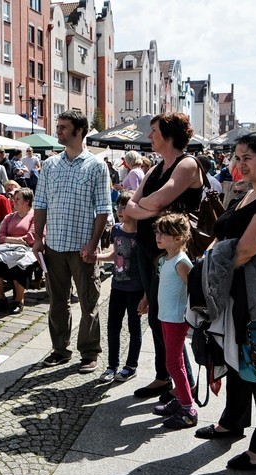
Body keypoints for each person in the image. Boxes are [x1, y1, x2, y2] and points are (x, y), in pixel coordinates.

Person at [195, 131, 256, 471]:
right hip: (235, 288)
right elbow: (222, 235)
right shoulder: (248, 191)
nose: (240, 164)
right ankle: (233, 420)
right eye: (237, 158)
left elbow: (246, 250)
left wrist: (209, 272)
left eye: (247, 158)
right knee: (237, 358)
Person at [124, 112, 202, 399]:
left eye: (154, 131)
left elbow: (155, 200)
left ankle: (185, 385)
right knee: (156, 317)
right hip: (150, 251)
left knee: (170, 318)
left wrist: (145, 206)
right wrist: (150, 208)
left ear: (169, 135)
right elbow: (129, 206)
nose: (150, 136)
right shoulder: (156, 168)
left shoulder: (187, 164)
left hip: (173, 255)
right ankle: (164, 376)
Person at [33, 110, 111, 373]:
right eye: (58, 126)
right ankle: (59, 349)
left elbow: (103, 209)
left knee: (89, 302)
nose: (58, 131)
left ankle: (89, 352)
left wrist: (93, 244)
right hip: (54, 244)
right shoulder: (50, 165)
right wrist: (38, 238)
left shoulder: (96, 166)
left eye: (64, 127)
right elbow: (40, 203)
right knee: (57, 302)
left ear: (79, 131)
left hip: (82, 248)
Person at [150, 213, 197, 429]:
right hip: (166, 317)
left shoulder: (181, 261)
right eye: (157, 232)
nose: (158, 237)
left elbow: (194, 290)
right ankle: (180, 399)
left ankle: (188, 409)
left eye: (164, 234)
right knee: (175, 363)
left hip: (176, 319)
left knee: (174, 363)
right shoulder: (166, 259)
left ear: (178, 238)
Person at [98, 191, 143, 384]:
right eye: (118, 206)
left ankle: (131, 365)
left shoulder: (142, 234)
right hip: (117, 286)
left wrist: (146, 295)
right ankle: (112, 365)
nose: (120, 210)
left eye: (124, 206)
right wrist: (96, 257)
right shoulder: (116, 230)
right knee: (113, 327)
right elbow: (115, 255)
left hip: (136, 289)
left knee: (134, 327)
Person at [0, 187, 36, 314]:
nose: (13, 201)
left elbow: (31, 238)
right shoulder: (9, 217)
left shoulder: (35, 217)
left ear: (27, 201)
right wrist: (16, 240)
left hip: (26, 250)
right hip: (7, 248)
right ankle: (1, 298)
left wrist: (11, 239)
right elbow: (0, 237)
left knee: (20, 264)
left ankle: (19, 300)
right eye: (14, 199)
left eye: (17, 199)